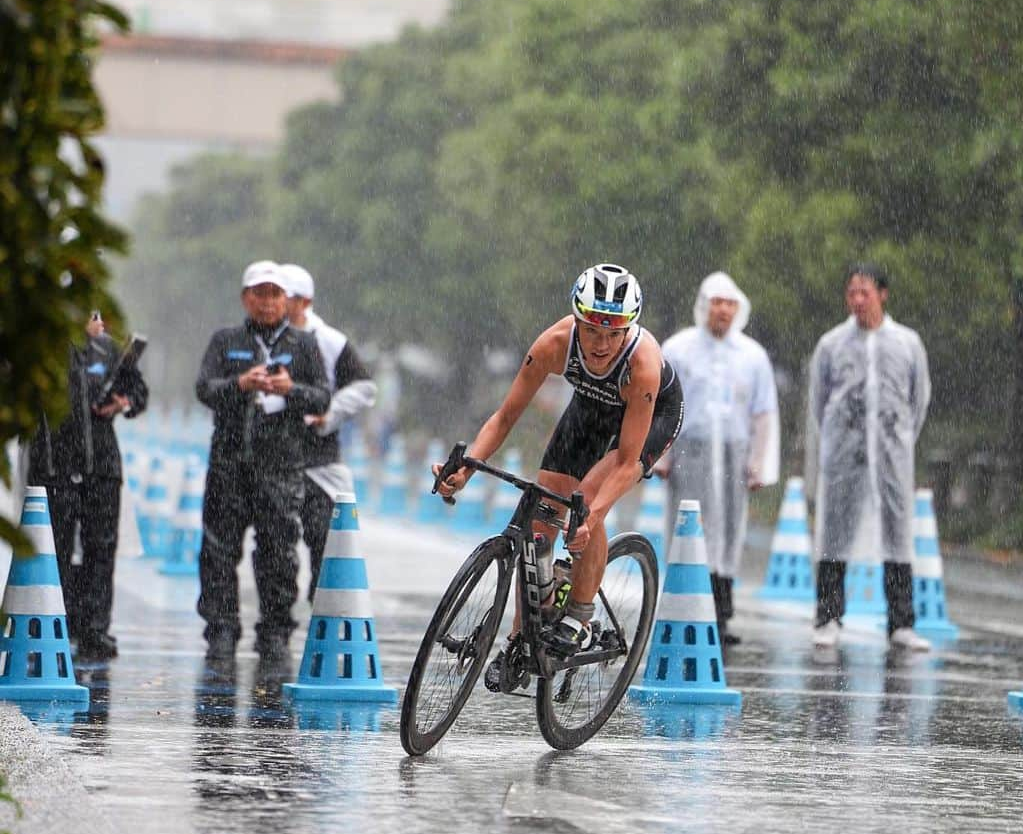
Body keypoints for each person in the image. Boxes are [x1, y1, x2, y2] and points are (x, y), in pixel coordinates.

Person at [435, 262, 684, 690]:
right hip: (590, 405)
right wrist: (467, 468)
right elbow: (505, 416)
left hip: (649, 416)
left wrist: (592, 515)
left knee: (585, 500)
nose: (602, 344)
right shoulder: (553, 344)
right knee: (538, 515)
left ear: (628, 329)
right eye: (592, 331)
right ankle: (520, 638)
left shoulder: (643, 363)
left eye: (614, 333)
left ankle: (581, 617)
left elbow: (626, 462)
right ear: (577, 320)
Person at [195, 260, 330, 665]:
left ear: (286, 300)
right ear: (246, 298)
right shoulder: (226, 340)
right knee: (218, 552)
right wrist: (241, 384)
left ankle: (274, 632)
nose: (268, 302)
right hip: (229, 465)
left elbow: (323, 396)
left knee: (278, 552)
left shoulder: (304, 345)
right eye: (260, 294)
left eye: (275, 294)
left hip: (281, 467)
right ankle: (220, 631)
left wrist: (291, 390)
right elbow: (204, 388)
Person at [806, 263, 932, 652]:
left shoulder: (907, 343)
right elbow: (819, 401)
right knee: (834, 532)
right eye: (851, 293)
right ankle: (828, 616)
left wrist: (898, 438)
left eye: (865, 292)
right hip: (846, 454)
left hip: (893, 454)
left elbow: (919, 399)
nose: (857, 300)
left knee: (898, 533)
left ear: (883, 294)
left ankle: (900, 623)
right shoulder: (831, 344)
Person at [661, 271, 780, 644]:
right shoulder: (678, 349)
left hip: (733, 454)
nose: (723, 311)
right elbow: (662, 407)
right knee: (688, 528)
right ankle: (682, 610)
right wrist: (660, 456)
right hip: (689, 452)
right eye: (717, 303)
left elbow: (764, 413)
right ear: (703, 306)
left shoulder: (752, 356)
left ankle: (721, 617)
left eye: (730, 304)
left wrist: (760, 462)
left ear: (738, 310)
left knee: (729, 531)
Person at [30, 310, 149, 661]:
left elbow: (138, 392)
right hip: (54, 465)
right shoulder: (42, 347)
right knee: (56, 548)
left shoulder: (109, 350)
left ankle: (95, 629)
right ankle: (53, 626)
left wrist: (123, 402)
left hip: (102, 466)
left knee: (101, 547)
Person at [279, 263, 376, 601]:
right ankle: (276, 620)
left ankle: (320, 603)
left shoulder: (330, 342)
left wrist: (329, 414)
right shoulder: (264, 338)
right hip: (274, 456)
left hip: (317, 458)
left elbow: (364, 387)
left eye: (284, 296)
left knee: (322, 534)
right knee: (276, 541)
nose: (275, 302)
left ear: (304, 301)